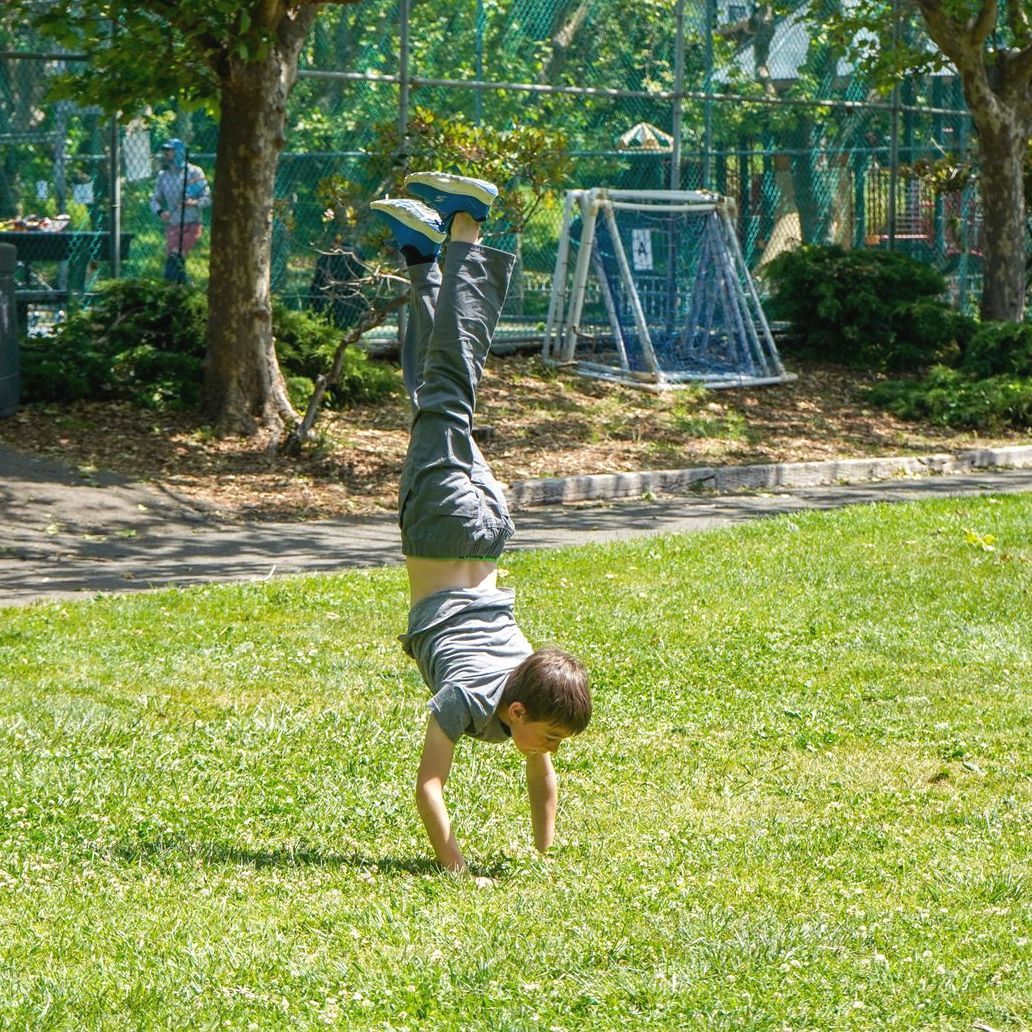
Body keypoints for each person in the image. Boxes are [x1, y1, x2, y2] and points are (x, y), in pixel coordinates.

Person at [370, 172, 592, 882]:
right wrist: (458, 871)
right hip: (441, 527)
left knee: (433, 393)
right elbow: (428, 788)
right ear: (520, 709)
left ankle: (419, 257)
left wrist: (543, 852)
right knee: (451, 381)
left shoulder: (522, 693)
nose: (549, 750)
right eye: (550, 735)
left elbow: (541, 776)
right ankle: (467, 222)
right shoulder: (466, 699)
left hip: (491, 525)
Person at [149, 139, 210, 284]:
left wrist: (193, 203)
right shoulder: (164, 176)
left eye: (170, 150)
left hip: (192, 223)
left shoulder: (195, 172)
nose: (166, 154)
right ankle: (183, 288)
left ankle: (166, 286)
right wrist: (160, 211)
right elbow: (154, 200)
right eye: (165, 151)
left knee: (176, 255)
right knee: (176, 257)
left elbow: (207, 198)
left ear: (179, 152)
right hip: (174, 224)